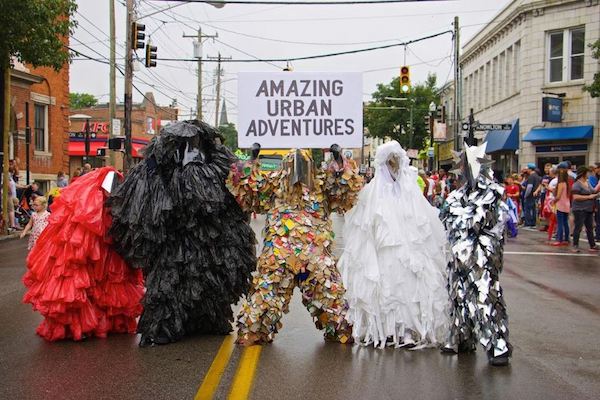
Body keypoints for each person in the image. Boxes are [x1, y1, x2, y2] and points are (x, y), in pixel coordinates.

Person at [109, 120, 257, 347]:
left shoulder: (215, 160)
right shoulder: (160, 166)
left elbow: (239, 188)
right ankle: (165, 327)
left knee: (209, 279)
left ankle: (208, 320)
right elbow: (145, 201)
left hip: (209, 236)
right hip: (176, 238)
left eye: (195, 143)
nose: (191, 148)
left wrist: (251, 160)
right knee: (172, 283)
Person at [230, 145, 362, 346]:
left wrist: (339, 160)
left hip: (313, 256)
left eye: (303, 164)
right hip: (281, 255)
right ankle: (254, 330)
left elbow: (346, 190)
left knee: (328, 294)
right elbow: (247, 189)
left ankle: (339, 328)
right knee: (267, 294)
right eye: (292, 164)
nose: (298, 169)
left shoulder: (321, 185)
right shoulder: (275, 184)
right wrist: (252, 159)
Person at [338, 141, 448, 348]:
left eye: (395, 163)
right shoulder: (373, 192)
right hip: (382, 254)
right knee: (385, 288)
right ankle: (386, 330)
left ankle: (406, 329)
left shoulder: (410, 191)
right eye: (389, 163)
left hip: (407, 254)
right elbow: (363, 225)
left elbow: (423, 223)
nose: (393, 167)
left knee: (408, 289)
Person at [22, 168, 144, 341]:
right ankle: (89, 321)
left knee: (94, 277)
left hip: (100, 236)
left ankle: (90, 321)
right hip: (99, 236)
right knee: (93, 277)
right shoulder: (108, 185)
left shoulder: (96, 189)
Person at [442, 142, 512, 366]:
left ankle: (496, 345)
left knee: (484, 296)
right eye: (462, 165)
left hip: (481, 255)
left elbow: (482, 221)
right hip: (459, 256)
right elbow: (450, 217)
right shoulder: (457, 195)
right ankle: (462, 337)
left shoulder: (491, 193)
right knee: (459, 296)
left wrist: (472, 235)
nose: (464, 170)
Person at [571, 166, 599, 252]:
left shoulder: (587, 182)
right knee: (578, 227)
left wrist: (596, 192)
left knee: (589, 227)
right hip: (579, 209)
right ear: (583, 173)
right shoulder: (576, 184)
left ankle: (592, 245)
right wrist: (589, 197)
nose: (589, 174)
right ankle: (575, 245)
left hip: (589, 209)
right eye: (588, 173)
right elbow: (575, 197)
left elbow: (593, 191)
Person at [523, 163, 541, 228]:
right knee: (533, 210)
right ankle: (533, 222)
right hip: (535, 195)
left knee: (528, 209)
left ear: (530, 169)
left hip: (530, 196)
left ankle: (528, 223)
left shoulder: (531, 177)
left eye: (527, 169)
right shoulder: (537, 176)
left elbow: (529, 187)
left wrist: (525, 195)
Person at [589, 162, 600, 240]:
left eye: (595, 168)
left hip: (598, 199)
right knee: (597, 218)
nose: (594, 170)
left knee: (598, 218)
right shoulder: (596, 177)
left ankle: (598, 235)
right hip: (597, 199)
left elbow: (595, 189)